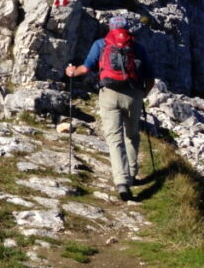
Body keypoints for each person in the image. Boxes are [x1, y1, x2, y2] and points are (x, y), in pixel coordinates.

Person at [65, 15, 156, 201]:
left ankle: (121, 181)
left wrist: (73, 72)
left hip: (109, 93)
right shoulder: (137, 47)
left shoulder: (101, 44)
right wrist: (142, 95)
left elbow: (87, 68)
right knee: (132, 135)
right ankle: (131, 174)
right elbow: (150, 78)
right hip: (134, 95)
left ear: (110, 28)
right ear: (127, 28)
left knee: (115, 138)